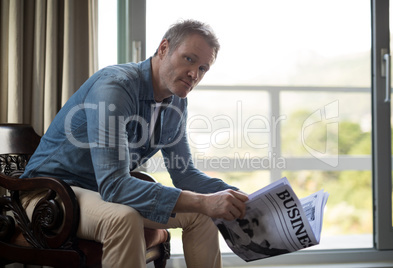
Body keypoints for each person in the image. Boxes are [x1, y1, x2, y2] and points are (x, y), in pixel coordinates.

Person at [20, 19, 249, 268]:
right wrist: (203, 200)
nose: (195, 74)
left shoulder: (176, 103)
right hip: (50, 193)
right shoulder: (116, 86)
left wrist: (240, 198)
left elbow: (185, 174)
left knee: (203, 215)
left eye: (203, 68)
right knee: (124, 217)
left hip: (102, 195)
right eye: (189, 59)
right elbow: (115, 185)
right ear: (164, 48)